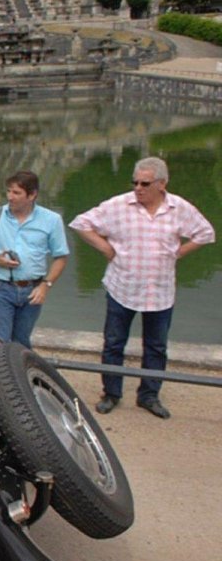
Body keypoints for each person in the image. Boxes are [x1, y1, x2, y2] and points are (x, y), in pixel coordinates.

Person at [69, 156, 215, 419]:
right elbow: (81, 223)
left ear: (162, 184)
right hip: (122, 287)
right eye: (135, 182)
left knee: (156, 347)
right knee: (114, 344)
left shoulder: (179, 208)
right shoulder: (118, 205)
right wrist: (104, 247)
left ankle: (149, 395)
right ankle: (111, 393)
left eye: (145, 183)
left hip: (159, 291)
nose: (138, 188)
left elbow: (205, 233)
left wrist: (179, 252)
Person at [0, 170, 68, 348]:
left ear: (32, 195)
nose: (10, 197)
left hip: (33, 289)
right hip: (1, 286)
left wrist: (45, 285)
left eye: (16, 193)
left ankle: (20, 374)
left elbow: (61, 257)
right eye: (8, 191)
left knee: (21, 341)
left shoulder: (51, 220)